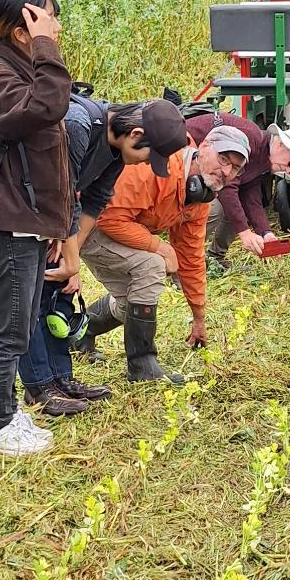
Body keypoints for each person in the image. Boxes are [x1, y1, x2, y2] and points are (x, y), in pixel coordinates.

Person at [0, 0, 73, 457]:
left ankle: (7, 412)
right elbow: (49, 106)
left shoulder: (20, 68)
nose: (54, 27)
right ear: (20, 28)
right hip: (9, 221)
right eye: (44, 20)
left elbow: (48, 158)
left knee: (24, 318)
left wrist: (53, 226)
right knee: (8, 328)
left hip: (30, 220)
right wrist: (48, 47)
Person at [19, 95, 167, 417]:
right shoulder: (77, 124)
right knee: (27, 304)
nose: (143, 165)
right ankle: (39, 387)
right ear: (136, 134)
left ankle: (61, 378)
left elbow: (93, 202)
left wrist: (71, 257)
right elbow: (63, 192)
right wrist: (69, 254)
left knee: (59, 297)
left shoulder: (117, 150)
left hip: (54, 222)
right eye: (146, 157)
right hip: (20, 216)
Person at [78, 122, 249, 384]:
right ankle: (142, 366)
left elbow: (191, 257)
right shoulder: (155, 168)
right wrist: (160, 247)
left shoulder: (200, 194)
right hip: (87, 226)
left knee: (133, 303)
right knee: (152, 265)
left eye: (235, 168)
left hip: (119, 227)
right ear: (203, 148)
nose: (226, 171)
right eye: (223, 158)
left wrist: (199, 317)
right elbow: (110, 218)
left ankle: (81, 333)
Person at [183, 109, 290, 267]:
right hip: (180, 163)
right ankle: (184, 257)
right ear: (280, 144)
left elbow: (251, 194)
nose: (288, 171)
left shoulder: (263, 157)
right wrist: (244, 232)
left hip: (198, 176)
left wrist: (265, 232)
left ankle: (215, 257)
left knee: (235, 211)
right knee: (215, 209)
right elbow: (227, 187)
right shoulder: (251, 139)